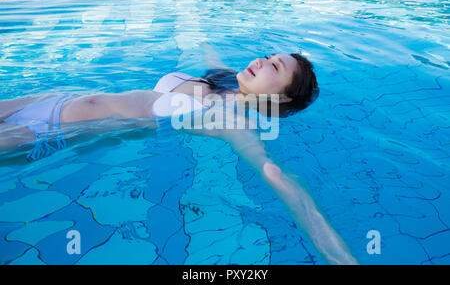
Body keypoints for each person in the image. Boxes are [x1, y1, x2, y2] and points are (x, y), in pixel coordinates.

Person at [0, 43, 357, 264]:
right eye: (266, 56)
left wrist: (341, 258)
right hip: (48, 101)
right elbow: (209, 52)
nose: (260, 62)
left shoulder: (230, 120)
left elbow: (276, 177)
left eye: (274, 67)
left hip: (43, 134)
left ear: (281, 98)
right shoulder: (219, 79)